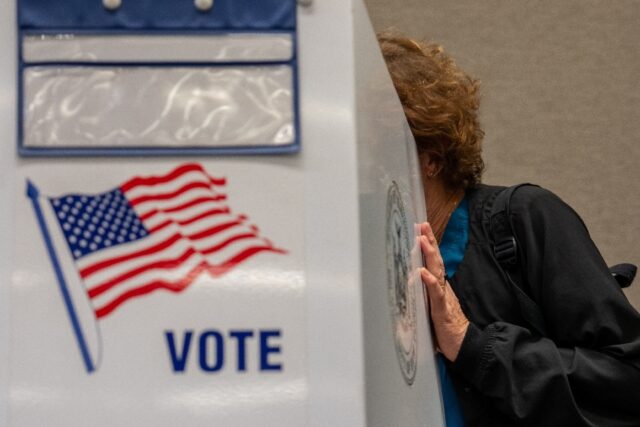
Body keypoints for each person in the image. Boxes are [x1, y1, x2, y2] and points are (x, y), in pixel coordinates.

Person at [378, 31, 640, 426]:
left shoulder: (524, 220)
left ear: (429, 156)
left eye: (375, 151)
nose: (361, 174)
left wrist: (472, 345)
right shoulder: (367, 260)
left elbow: (628, 381)